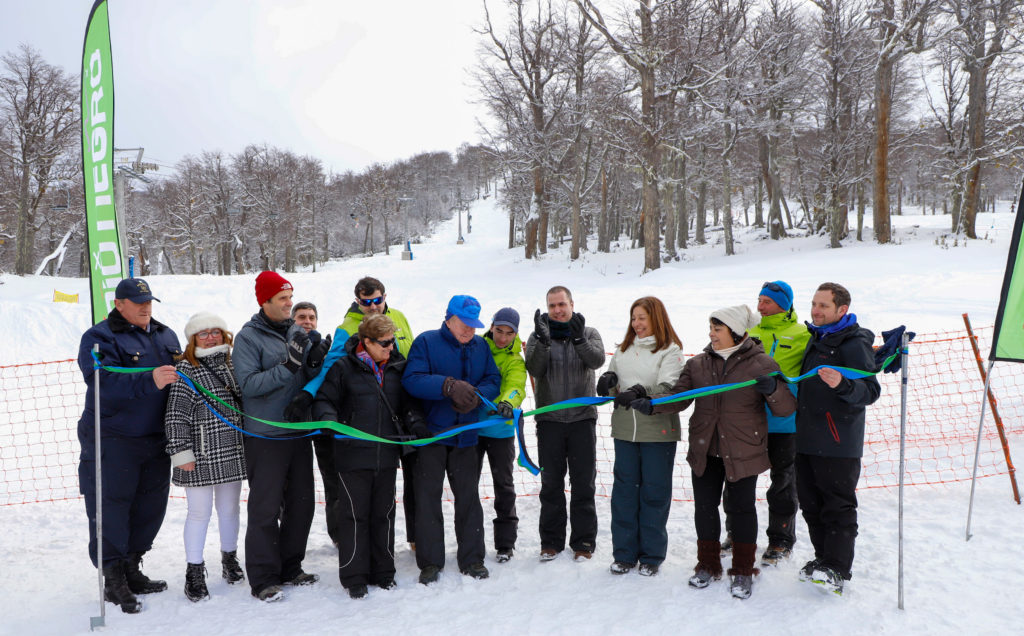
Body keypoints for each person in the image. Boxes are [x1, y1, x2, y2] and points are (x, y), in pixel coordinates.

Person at [629, 305, 795, 600]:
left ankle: (743, 569)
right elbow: (679, 397)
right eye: (711, 329)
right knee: (705, 508)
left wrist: (773, 389)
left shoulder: (762, 364)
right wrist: (651, 403)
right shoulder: (699, 364)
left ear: (736, 332)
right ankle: (707, 564)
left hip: (743, 450)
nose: (711, 334)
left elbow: (785, 408)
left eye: (717, 330)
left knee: (742, 509)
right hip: (705, 448)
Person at [287, 277, 417, 551]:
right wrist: (309, 393)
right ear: (357, 301)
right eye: (366, 302)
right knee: (348, 482)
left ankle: (413, 538)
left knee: (408, 480)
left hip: (399, 410)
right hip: (362, 413)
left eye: (377, 300)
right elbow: (331, 368)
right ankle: (344, 538)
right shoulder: (347, 327)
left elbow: (412, 360)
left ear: (384, 296)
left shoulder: (400, 318)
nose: (372, 306)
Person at [76, 277, 181, 614]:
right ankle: (113, 577)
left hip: (156, 437)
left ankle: (133, 566)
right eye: (138, 303)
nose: (145, 307)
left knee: (150, 506)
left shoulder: (165, 335)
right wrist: (149, 379)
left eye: (149, 301)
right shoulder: (99, 337)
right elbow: (101, 381)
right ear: (119, 304)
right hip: (114, 436)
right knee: (112, 506)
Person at [232, 271, 331, 602]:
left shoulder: (295, 331)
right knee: (266, 508)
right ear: (265, 301)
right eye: (283, 298)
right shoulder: (248, 338)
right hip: (266, 435)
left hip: (298, 431)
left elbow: (306, 377)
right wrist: (288, 366)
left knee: (302, 505)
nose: (290, 304)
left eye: (290, 296)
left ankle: (291, 566)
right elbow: (250, 385)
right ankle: (263, 577)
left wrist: (314, 363)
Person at [312, 314, 426, 599]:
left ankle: (384, 572)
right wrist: (330, 420)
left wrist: (415, 422)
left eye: (392, 341)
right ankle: (355, 576)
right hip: (352, 455)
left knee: (383, 515)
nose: (390, 347)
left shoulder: (397, 366)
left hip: (386, 454)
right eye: (384, 343)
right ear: (367, 342)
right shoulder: (343, 367)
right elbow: (324, 400)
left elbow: (408, 403)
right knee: (354, 516)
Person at [401, 294, 502, 584]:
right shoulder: (426, 342)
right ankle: (430, 562)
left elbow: (493, 380)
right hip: (432, 436)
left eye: (474, 324)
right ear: (449, 319)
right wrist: (447, 386)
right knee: (427, 500)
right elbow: (412, 380)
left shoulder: (481, 346)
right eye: (464, 323)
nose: (470, 329)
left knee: (469, 498)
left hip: (466, 437)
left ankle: (472, 559)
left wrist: (476, 397)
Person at [795, 282, 881, 595]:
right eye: (814, 304)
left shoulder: (853, 342)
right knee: (810, 505)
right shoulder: (817, 336)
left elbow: (870, 391)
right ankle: (823, 559)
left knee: (837, 506)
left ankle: (837, 567)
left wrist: (843, 385)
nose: (815, 311)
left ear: (841, 310)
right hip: (806, 437)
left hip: (837, 441)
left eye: (823, 306)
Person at [596, 297, 684, 577]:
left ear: (656, 318)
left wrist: (641, 391)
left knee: (654, 494)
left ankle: (651, 555)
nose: (636, 323)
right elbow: (617, 388)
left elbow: (668, 389)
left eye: (642, 318)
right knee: (624, 494)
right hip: (625, 431)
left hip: (657, 432)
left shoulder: (670, 350)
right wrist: (608, 383)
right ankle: (624, 554)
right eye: (633, 318)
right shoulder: (623, 350)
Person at [164, 312, 247, 602]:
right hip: (198, 456)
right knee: (199, 514)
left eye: (215, 332)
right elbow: (176, 416)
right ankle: (194, 572)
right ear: (193, 339)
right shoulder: (186, 369)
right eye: (203, 333)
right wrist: (181, 452)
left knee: (230, 510)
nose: (210, 337)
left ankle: (229, 559)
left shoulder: (233, 364)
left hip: (232, 452)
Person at [525, 285, 605, 561]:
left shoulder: (589, 332)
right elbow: (534, 369)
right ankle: (551, 542)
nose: (557, 310)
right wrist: (543, 341)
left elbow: (597, 360)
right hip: (550, 421)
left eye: (562, 304)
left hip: (582, 419)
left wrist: (579, 339)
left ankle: (584, 542)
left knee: (583, 484)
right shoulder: (537, 336)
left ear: (572, 304)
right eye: (552, 306)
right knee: (551, 485)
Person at [746, 280, 810, 566]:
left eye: (767, 302)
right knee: (739, 481)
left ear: (784, 304)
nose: (760, 306)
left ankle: (780, 540)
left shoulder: (803, 334)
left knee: (783, 484)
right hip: (748, 421)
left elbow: (811, 374)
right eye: (759, 300)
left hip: (785, 422)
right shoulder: (749, 333)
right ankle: (737, 534)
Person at [288, 301, 343, 548]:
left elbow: (327, 378)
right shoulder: (284, 342)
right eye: (301, 317)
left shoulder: (324, 345)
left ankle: (339, 535)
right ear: (292, 320)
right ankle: (287, 539)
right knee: (293, 487)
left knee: (333, 480)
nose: (307, 321)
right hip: (292, 420)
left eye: (311, 317)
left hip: (320, 422)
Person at [476, 308, 527, 563]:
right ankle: (472, 542)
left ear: (516, 334)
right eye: (499, 331)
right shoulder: (476, 347)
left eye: (509, 333)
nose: (503, 338)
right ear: (491, 326)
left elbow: (516, 386)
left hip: (500, 431)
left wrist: (507, 402)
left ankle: (505, 544)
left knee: (504, 486)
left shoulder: (515, 359)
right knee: (467, 487)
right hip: (472, 428)